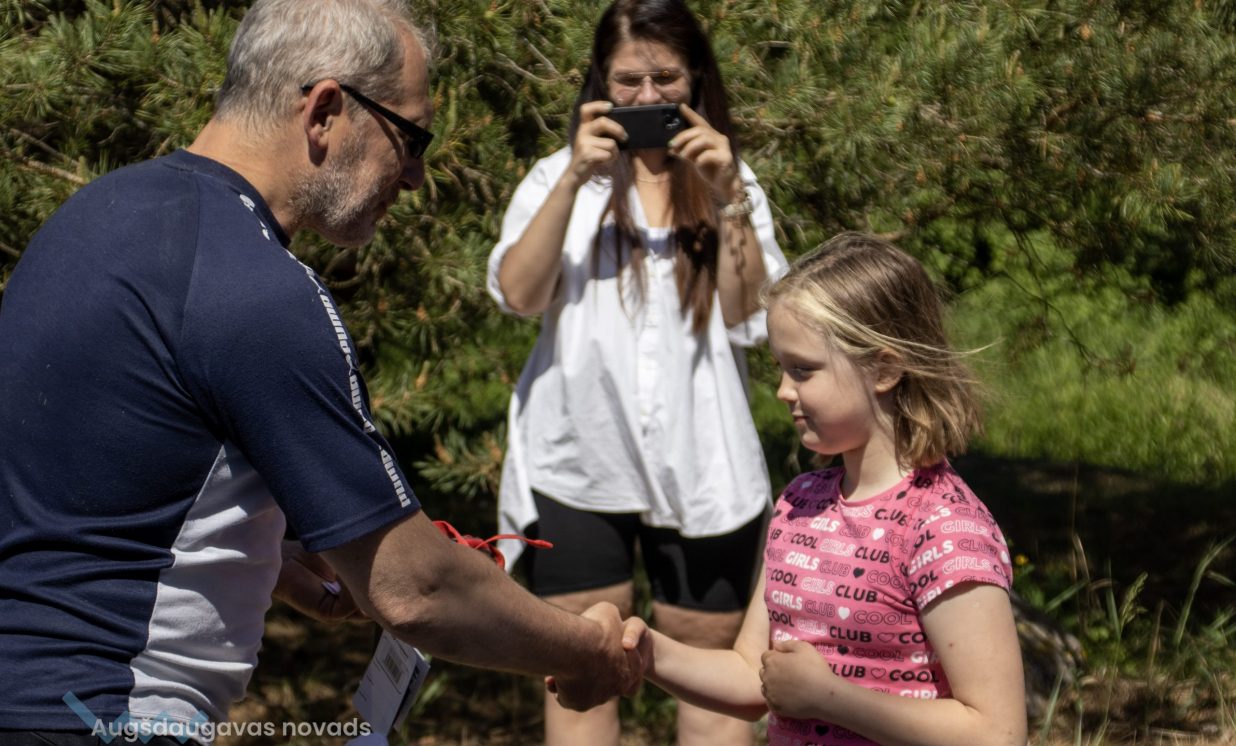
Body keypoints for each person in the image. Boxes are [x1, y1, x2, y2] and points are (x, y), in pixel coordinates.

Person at [0, 1, 643, 744]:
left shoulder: (93, 217)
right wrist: (585, 650)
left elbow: (86, 487)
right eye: (410, 139)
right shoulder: (255, 287)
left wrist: (261, 555)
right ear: (326, 111)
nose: (415, 177)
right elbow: (415, 588)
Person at [486, 1, 788, 743]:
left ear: (697, 78)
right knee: (582, 672)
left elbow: (751, 316)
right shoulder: (559, 176)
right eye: (627, 80)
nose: (647, 97)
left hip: (704, 462)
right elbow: (518, 295)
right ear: (599, 79)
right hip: (578, 457)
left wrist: (730, 199)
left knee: (716, 685)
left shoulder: (729, 181)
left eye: (666, 78)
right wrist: (573, 178)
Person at [628, 233, 1028, 745]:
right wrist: (646, 653)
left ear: (884, 368)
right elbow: (753, 673)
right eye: (781, 369)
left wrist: (829, 698)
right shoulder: (801, 503)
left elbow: (997, 732)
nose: (783, 391)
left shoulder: (945, 528)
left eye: (803, 370)